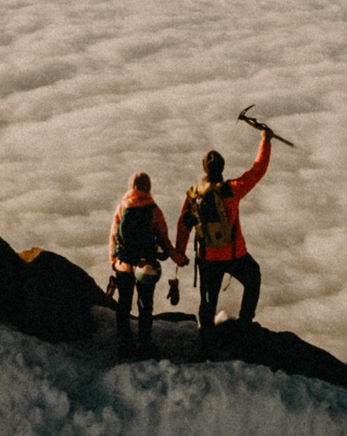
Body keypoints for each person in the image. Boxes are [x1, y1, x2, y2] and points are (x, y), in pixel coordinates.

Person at [173, 126, 273, 350]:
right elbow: (257, 171)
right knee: (253, 277)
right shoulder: (232, 190)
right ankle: (245, 324)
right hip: (235, 255)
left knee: (208, 302)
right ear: (222, 168)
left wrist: (180, 255)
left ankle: (206, 342)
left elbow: (183, 225)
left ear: (204, 169)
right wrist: (265, 141)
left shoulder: (193, 194)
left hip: (208, 258)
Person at [108, 173, 177, 356]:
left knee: (124, 304)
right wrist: (177, 257)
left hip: (124, 265)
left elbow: (114, 236)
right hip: (145, 266)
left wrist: (113, 261)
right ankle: (145, 343)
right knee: (145, 305)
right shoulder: (154, 209)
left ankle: (125, 343)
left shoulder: (123, 207)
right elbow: (164, 238)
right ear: (148, 187)